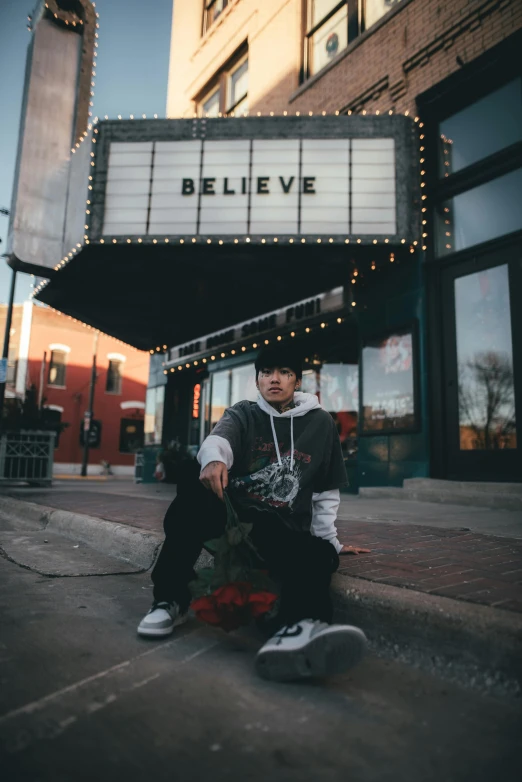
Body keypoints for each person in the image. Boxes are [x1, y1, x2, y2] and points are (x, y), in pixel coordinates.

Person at [138, 345, 370, 682]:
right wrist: (215, 459)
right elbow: (218, 440)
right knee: (192, 488)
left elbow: (324, 492)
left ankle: (300, 627)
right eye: (266, 373)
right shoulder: (243, 413)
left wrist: (331, 541)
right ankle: (169, 601)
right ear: (258, 379)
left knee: (319, 552)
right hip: (233, 516)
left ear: (298, 380)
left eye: (284, 372)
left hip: (279, 528)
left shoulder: (321, 424)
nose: (274, 379)